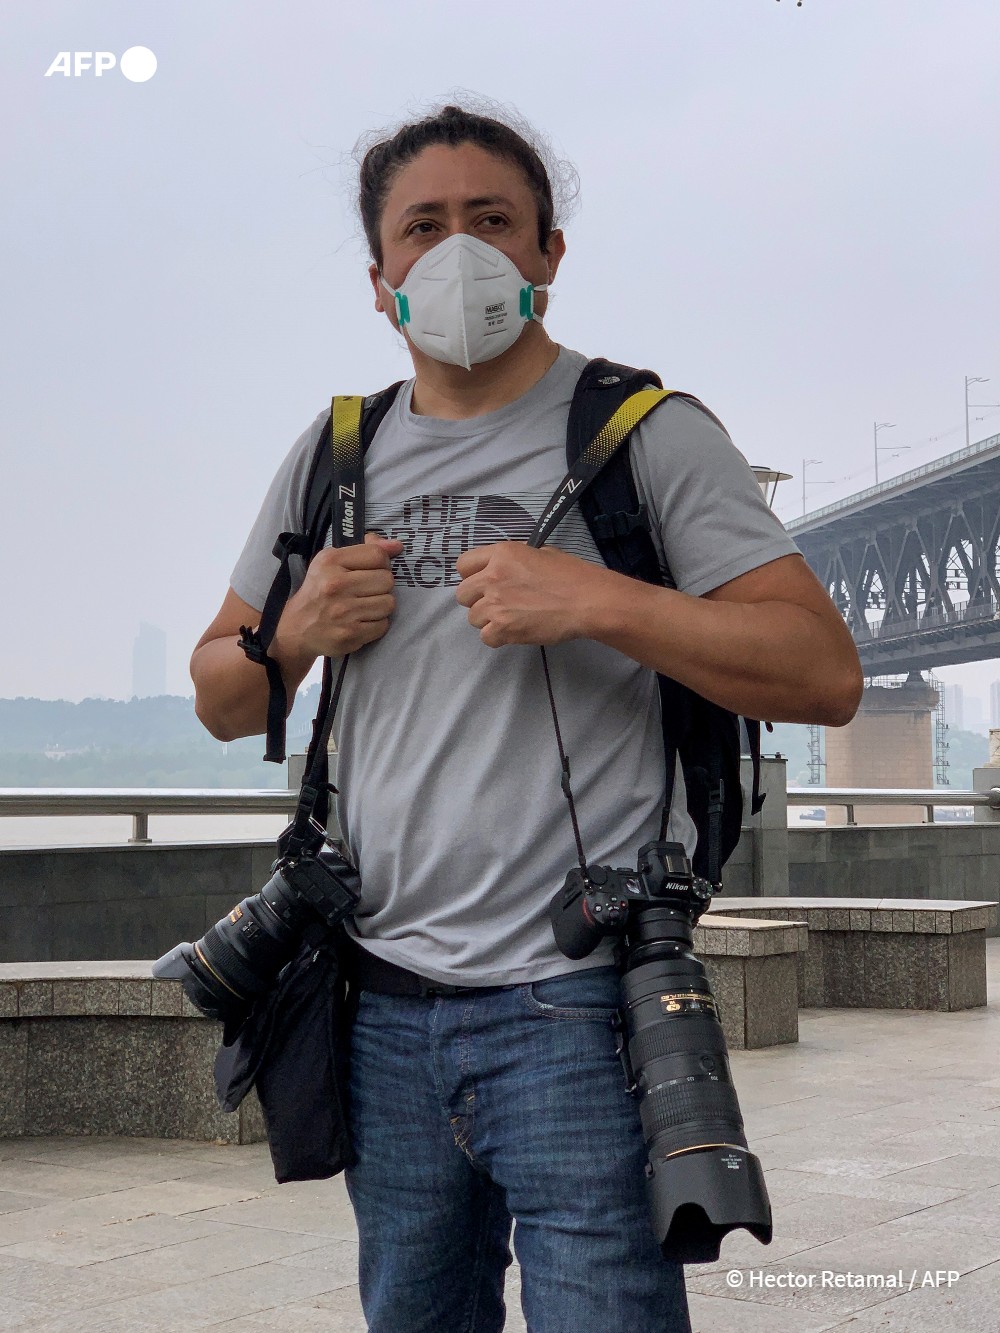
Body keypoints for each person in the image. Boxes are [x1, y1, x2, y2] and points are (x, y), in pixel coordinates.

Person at [191, 101, 863, 1333]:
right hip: (380, 1002)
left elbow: (822, 672)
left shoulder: (644, 437)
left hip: (579, 1006)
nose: (459, 251)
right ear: (380, 279)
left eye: (492, 219)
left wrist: (601, 601)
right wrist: (294, 634)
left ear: (548, 254)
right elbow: (220, 699)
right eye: (423, 227)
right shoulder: (337, 455)